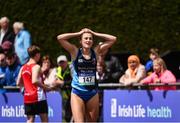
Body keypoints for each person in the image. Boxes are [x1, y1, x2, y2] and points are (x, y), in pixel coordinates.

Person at [57, 28, 116, 122]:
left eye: (90, 38)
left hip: (92, 93)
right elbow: (60, 38)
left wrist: (94, 33)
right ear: (80, 41)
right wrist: (78, 33)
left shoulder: (96, 52)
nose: (88, 40)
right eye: (85, 38)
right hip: (77, 93)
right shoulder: (75, 51)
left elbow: (113, 39)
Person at [16, 45, 54, 123]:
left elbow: (18, 82)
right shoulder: (36, 66)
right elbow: (34, 81)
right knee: (44, 120)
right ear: (37, 55)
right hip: (39, 97)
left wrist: (25, 89)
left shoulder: (23, 67)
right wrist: (46, 87)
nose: (40, 56)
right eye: (39, 54)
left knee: (30, 120)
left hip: (27, 97)